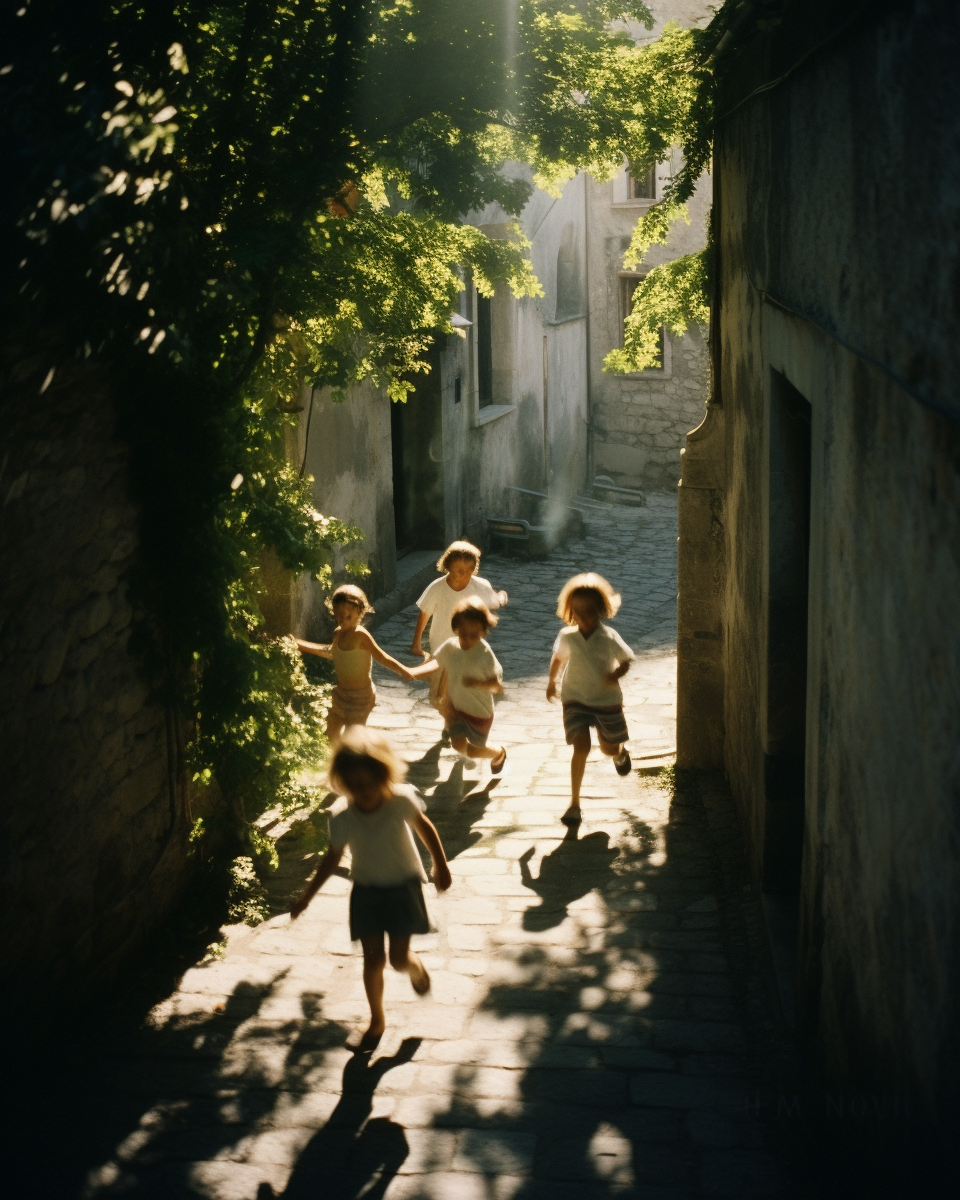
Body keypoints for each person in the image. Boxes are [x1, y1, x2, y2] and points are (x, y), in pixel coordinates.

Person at [290, 726, 451, 1052]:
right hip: (365, 893)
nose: (361, 791)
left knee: (396, 958)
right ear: (343, 782)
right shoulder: (342, 816)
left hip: (402, 888)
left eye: (368, 783)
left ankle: (414, 965)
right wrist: (306, 897)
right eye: (353, 785)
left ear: (383, 774)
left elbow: (426, 828)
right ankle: (377, 1020)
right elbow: (331, 859)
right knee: (372, 960)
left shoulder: (401, 800)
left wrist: (441, 864)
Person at [546, 573, 635, 826]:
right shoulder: (567, 636)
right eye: (577, 611)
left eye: (589, 611)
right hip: (575, 698)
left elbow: (626, 659)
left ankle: (618, 753)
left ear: (600, 610)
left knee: (608, 747)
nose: (583, 616)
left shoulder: (609, 637)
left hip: (606, 700)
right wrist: (552, 682)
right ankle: (574, 803)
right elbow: (559, 659)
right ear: (569, 611)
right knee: (580, 747)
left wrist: (616, 673)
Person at [411, 541, 508, 740]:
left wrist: (501, 596)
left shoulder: (480, 586)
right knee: (439, 696)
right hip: (442, 647)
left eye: (464, 571)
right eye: (455, 570)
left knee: (460, 690)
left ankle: (455, 725)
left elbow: (495, 604)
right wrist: (417, 643)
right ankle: (450, 719)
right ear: (447, 566)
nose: (458, 575)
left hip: (468, 649)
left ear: (473, 570)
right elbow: (424, 614)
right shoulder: (437, 587)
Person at [296, 584, 414, 742]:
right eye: (339, 616)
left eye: (348, 617)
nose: (343, 620)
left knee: (352, 740)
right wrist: (299, 644)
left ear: (360, 612)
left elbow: (382, 657)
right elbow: (332, 653)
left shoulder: (361, 636)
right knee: (330, 734)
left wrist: (404, 670)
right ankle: (336, 763)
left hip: (361, 698)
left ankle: (356, 762)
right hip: (341, 695)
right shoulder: (337, 633)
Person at [410, 598, 507, 773]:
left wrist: (478, 683)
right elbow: (436, 663)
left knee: (473, 750)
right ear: (456, 629)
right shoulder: (451, 646)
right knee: (459, 745)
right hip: (457, 710)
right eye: (463, 634)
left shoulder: (484, 654)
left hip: (479, 713)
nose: (468, 640)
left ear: (483, 632)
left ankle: (498, 752)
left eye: (474, 636)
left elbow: (497, 687)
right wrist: (412, 672)